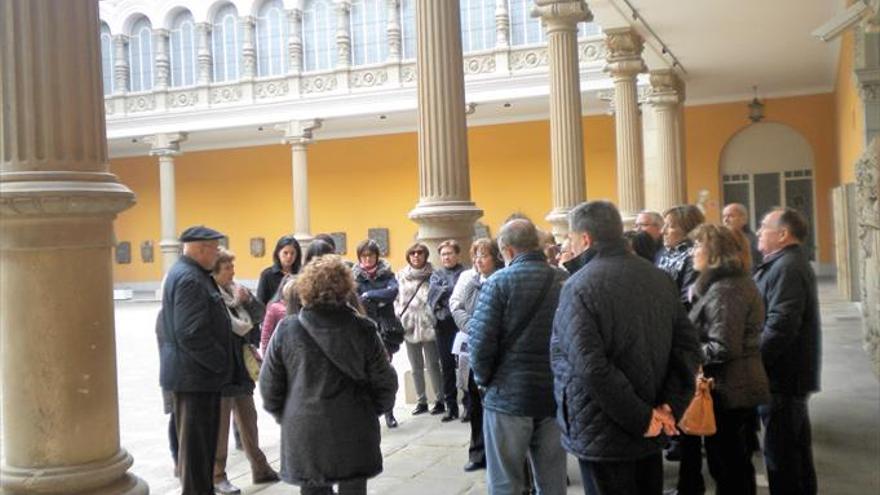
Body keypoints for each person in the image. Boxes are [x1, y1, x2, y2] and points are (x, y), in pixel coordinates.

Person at [551, 201, 701, 495]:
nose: (568, 244)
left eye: (570, 237)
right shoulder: (658, 277)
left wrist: (644, 418)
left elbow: (590, 367)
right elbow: (687, 348)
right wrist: (668, 407)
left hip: (605, 430)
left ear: (585, 239)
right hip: (653, 419)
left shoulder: (579, 286)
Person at [260, 255, 399, 495]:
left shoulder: (287, 329)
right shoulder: (363, 329)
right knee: (353, 487)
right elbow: (384, 381)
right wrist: (371, 410)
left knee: (313, 489)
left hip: (305, 428)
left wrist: (287, 414)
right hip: (354, 425)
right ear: (346, 288)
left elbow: (269, 384)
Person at [469, 218, 569, 495]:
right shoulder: (563, 279)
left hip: (508, 397)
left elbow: (481, 343)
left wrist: (483, 381)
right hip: (552, 394)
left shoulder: (498, 283)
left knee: (505, 482)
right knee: (553, 482)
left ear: (507, 250)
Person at [675, 225, 770, 495]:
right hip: (731, 385)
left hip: (730, 387)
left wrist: (686, 353)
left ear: (714, 253)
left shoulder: (726, 289)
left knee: (729, 466)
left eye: (698, 246)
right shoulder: (722, 284)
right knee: (730, 462)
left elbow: (724, 346)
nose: (693, 252)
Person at [158, 225, 234, 495]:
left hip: (196, 377)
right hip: (195, 378)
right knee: (195, 452)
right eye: (214, 248)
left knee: (200, 449)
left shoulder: (191, 273)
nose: (217, 254)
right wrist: (220, 361)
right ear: (201, 248)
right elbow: (191, 333)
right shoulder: (190, 278)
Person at [754, 207, 821, 495]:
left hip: (782, 375)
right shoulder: (784, 263)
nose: (758, 232)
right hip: (786, 375)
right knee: (793, 450)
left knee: (782, 455)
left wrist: (754, 360)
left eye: (763, 226)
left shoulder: (787, 267)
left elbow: (781, 325)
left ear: (783, 234)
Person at [211, 248, 279, 494]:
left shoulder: (235, 290)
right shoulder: (213, 296)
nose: (232, 271)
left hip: (241, 366)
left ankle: (260, 468)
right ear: (216, 272)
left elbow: (260, 314)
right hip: (222, 369)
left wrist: (247, 300)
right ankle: (218, 476)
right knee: (220, 427)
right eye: (227, 267)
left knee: (249, 419)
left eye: (232, 266)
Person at [449, 238, 505, 472]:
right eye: (475, 256)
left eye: (484, 255)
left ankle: (498, 454)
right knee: (474, 403)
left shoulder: (503, 278)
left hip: (496, 349)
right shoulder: (467, 278)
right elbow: (455, 304)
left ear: (496, 257)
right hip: (470, 344)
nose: (478, 260)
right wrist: (472, 326)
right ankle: (477, 451)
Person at [353, 239, 404, 428]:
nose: (367, 259)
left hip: (385, 329)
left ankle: (389, 412)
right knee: (366, 371)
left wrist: (369, 295)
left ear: (376, 256)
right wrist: (374, 296)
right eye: (364, 256)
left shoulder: (386, 274)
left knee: (385, 369)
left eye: (370, 255)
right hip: (364, 328)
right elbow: (356, 299)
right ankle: (371, 411)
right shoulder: (355, 277)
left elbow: (392, 292)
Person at [396, 242, 444, 416]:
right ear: (408, 256)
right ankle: (421, 400)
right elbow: (396, 297)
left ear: (425, 256)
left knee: (433, 364)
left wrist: (433, 315)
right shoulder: (401, 275)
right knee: (415, 365)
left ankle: (440, 399)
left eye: (420, 253)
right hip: (409, 325)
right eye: (413, 253)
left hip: (428, 324)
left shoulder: (434, 275)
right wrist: (399, 313)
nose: (416, 256)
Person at [427, 239, 467, 422]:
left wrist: (445, 291)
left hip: (461, 325)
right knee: (447, 366)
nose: (446, 257)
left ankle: (468, 405)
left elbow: (462, 295)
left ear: (457, 254)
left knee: (464, 366)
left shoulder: (465, 273)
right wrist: (447, 291)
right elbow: (433, 296)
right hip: (443, 325)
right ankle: (451, 407)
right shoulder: (436, 274)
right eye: (443, 254)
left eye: (450, 253)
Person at [657, 205, 705, 311]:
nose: (662, 231)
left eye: (670, 226)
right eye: (664, 225)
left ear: (689, 230)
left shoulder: (693, 256)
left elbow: (688, 300)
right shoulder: (664, 253)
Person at [257, 235, 303, 305]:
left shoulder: (301, 274)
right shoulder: (267, 275)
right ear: (278, 253)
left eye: (292, 253)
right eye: (285, 253)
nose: (289, 256)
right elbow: (261, 303)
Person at [260, 275, 295, 356]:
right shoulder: (274, 307)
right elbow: (266, 335)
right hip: (278, 351)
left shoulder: (301, 308)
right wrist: (266, 356)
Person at [723, 203, 762, 273]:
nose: (726, 220)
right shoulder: (722, 239)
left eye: (730, 216)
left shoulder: (752, 241)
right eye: (724, 216)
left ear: (743, 219)